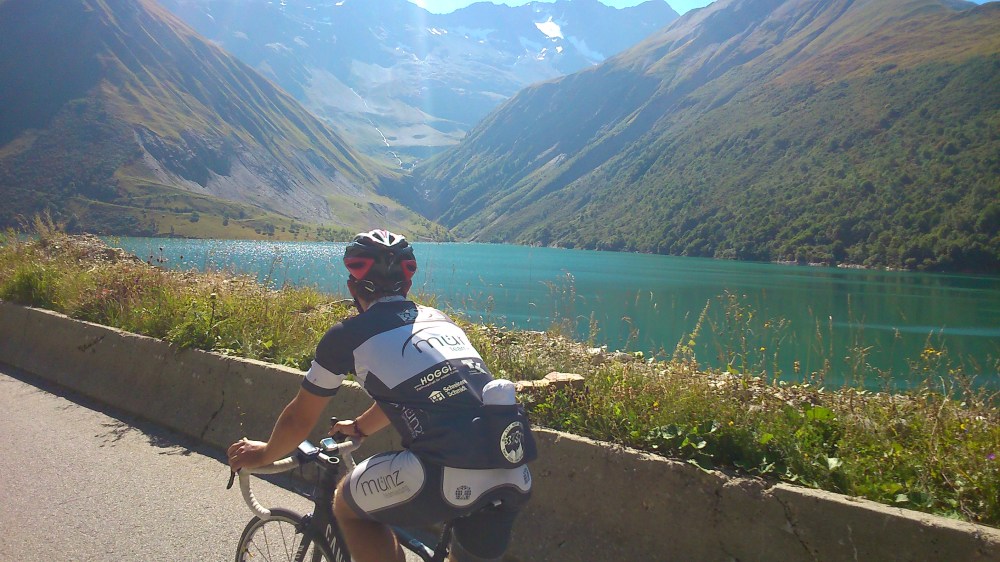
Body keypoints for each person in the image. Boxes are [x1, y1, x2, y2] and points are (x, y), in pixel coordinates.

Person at [227, 229, 535, 562]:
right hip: (512, 467)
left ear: (352, 288)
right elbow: (414, 391)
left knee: (348, 506)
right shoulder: (440, 319)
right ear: (407, 286)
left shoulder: (347, 336)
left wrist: (263, 454)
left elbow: (299, 419)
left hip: (446, 470)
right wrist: (360, 427)